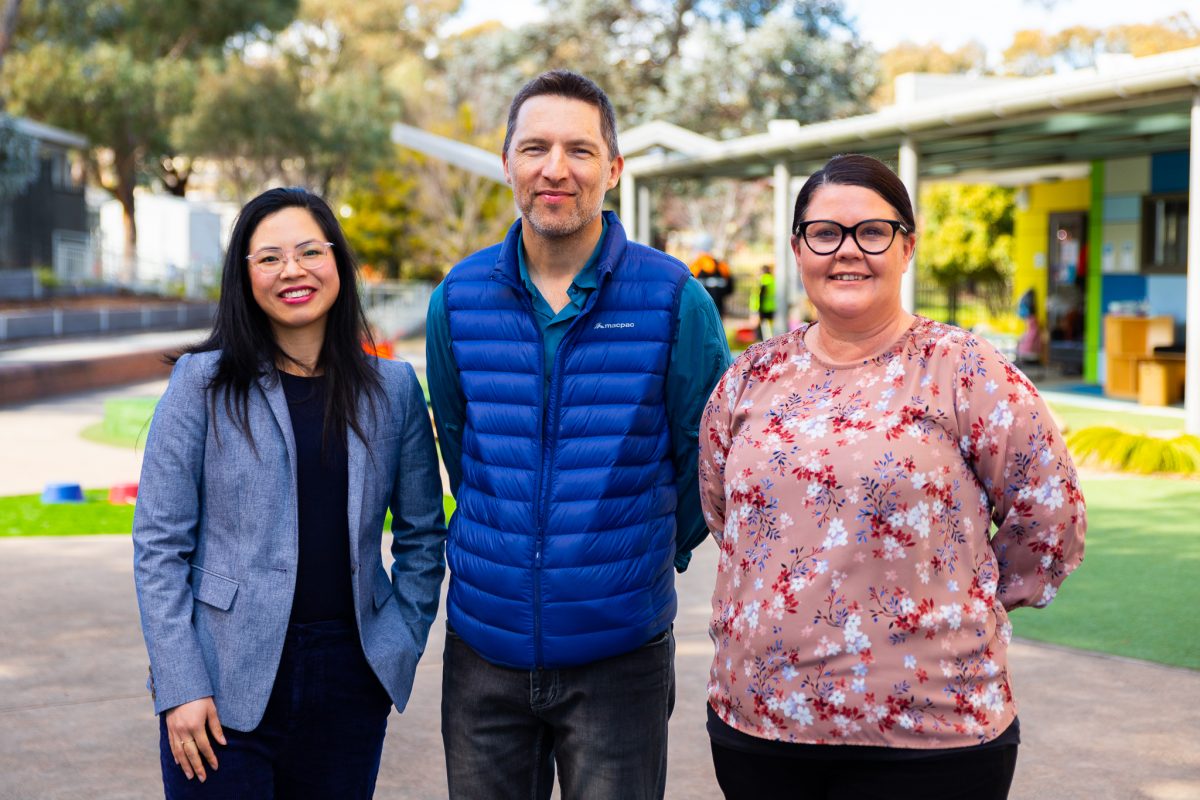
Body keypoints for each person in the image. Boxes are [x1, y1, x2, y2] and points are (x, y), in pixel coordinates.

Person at [698, 154, 1086, 800]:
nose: (847, 251)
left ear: (907, 245)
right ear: (798, 248)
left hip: (931, 738)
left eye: (872, 232)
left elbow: (1051, 518)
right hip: (761, 731)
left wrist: (961, 605)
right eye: (825, 233)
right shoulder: (750, 378)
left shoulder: (964, 371)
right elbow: (726, 513)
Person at [425, 69, 730, 800]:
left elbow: (707, 467)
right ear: (507, 164)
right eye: (535, 148)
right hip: (483, 652)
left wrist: (642, 548)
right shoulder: (457, 299)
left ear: (613, 169)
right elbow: (462, 448)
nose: (555, 169)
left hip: (619, 654)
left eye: (579, 150)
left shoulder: (674, 300)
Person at [133, 187, 447, 798]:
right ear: (244, 277)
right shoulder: (200, 384)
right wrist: (181, 683)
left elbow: (423, 535)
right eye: (269, 258)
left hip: (350, 676)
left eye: (309, 251)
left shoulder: (394, 389)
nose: (293, 271)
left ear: (337, 262)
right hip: (220, 680)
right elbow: (158, 546)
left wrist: (396, 646)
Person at [690, 245, 735, 317]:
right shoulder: (721, 267)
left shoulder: (696, 266)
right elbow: (730, 288)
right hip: (717, 306)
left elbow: (689, 288)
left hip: (700, 307)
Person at [749, 262, 776, 341]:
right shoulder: (772, 280)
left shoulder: (763, 280)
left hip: (761, 307)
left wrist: (758, 310)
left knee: (762, 330)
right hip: (771, 307)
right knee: (769, 329)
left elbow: (761, 295)